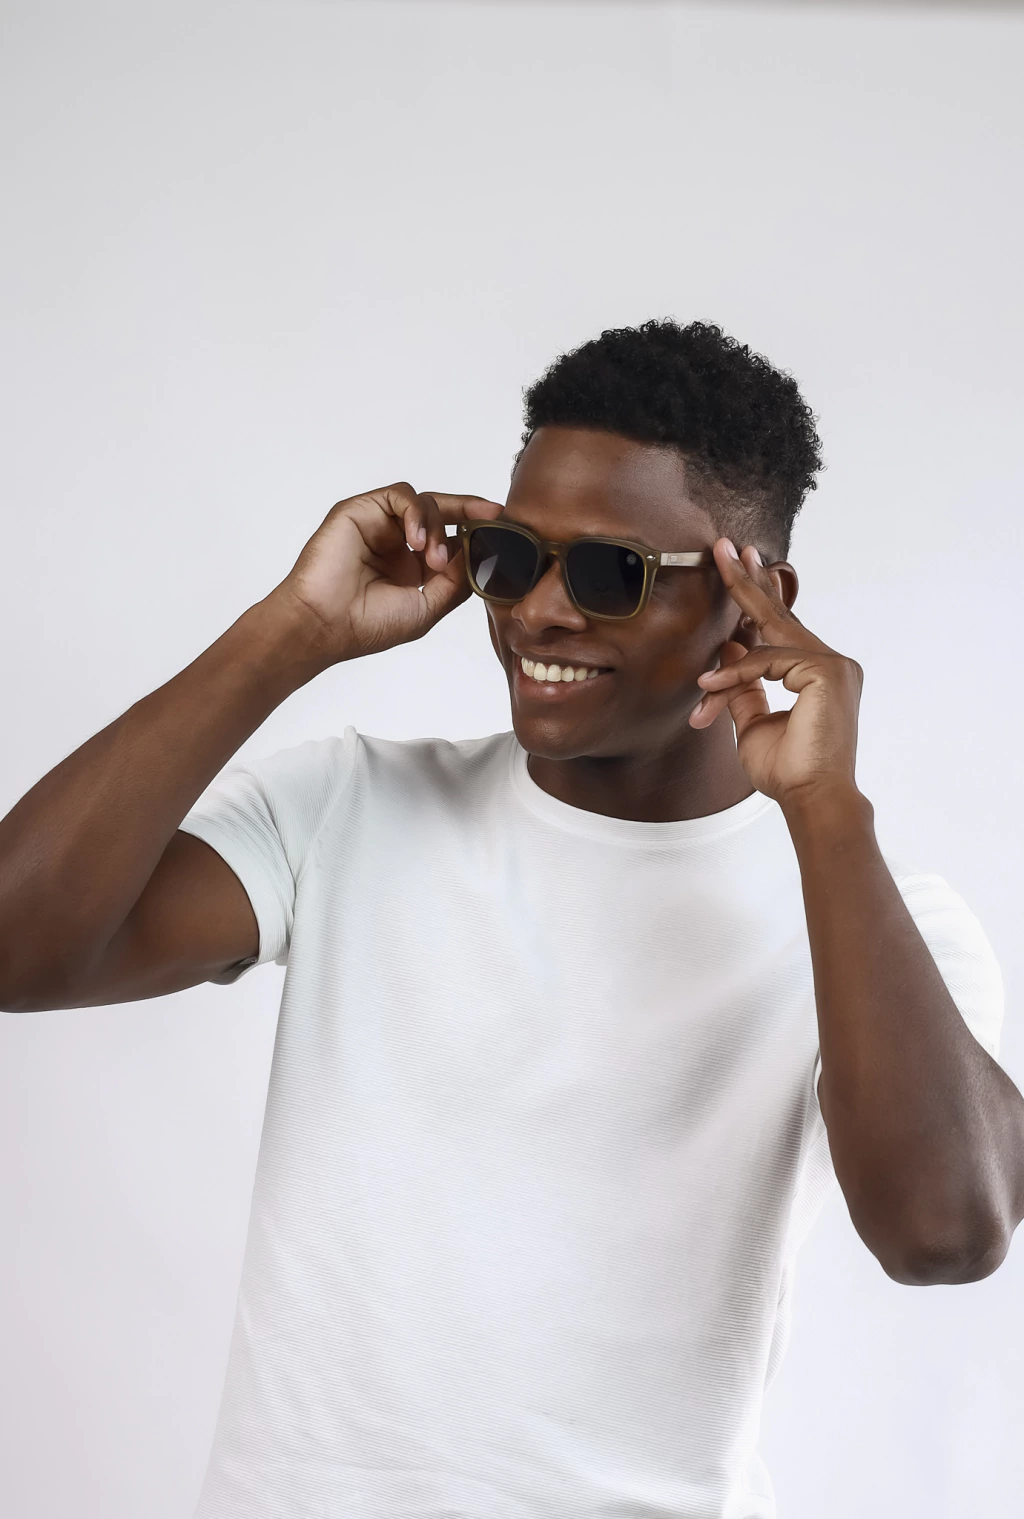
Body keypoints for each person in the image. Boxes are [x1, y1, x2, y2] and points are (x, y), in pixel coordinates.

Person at [1, 318, 1019, 1519]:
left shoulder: (873, 918)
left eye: (608, 573)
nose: (537, 612)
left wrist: (826, 812)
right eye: (511, 555)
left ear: (755, 599)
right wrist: (292, 632)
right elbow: (18, 949)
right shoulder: (350, 806)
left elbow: (943, 1234)